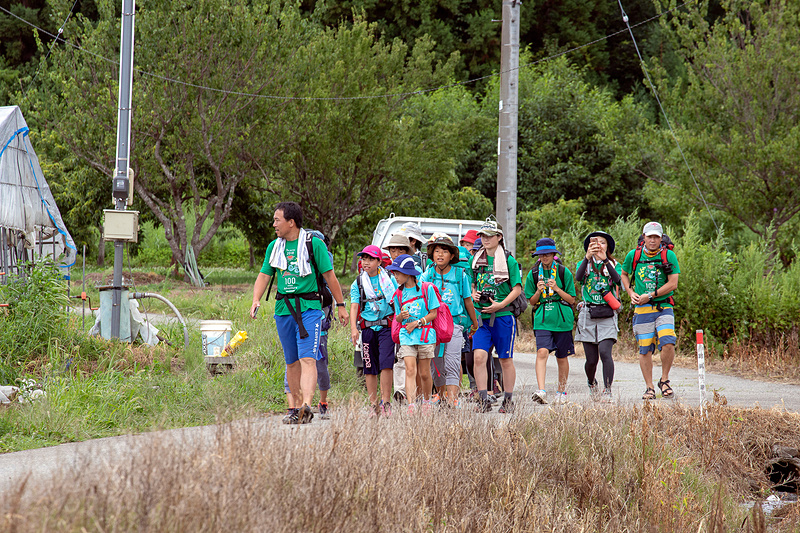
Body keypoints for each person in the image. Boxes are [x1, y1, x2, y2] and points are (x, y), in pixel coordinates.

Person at [250, 202, 348, 424]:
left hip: (309, 309)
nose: (274, 224)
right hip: (284, 309)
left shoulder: (314, 244)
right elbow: (264, 275)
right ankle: (293, 408)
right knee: (291, 361)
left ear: (291, 222)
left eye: (277, 220)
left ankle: (306, 405)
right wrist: (256, 299)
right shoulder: (275, 247)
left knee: (308, 359)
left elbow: (330, 277)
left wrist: (340, 305)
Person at [621, 221, 680, 400]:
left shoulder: (668, 255)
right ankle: (649, 387)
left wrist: (652, 295)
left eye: (656, 237)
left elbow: (673, 284)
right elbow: (623, 274)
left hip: (664, 306)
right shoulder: (634, 255)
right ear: (644, 237)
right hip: (642, 308)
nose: (653, 240)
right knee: (644, 349)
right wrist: (630, 292)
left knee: (668, 342)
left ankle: (664, 380)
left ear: (661, 238)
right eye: (650, 236)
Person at [469, 221, 522, 414]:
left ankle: (508, 399)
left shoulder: (509, 260)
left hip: (503, 316)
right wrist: (474, 293)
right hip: (482, 318)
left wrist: (500, 304)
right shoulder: (475, 259)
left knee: (505, 359)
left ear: (499, 237)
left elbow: (517, 288)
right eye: (483, 235)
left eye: (490, 236)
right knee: (479, 357)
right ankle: (483, 399)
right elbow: (472, 283)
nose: (485, 239)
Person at [421, 234, 480, 406]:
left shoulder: (460, 275)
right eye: (436, 251)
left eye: (444, 251)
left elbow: (468, 300)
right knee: (437, 364)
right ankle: (440, 396)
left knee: (453, 361)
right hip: (433, 326)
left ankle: (453, 399)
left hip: (455, 324)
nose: (439, 254)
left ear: (452, 256)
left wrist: (474, 323)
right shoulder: (427, 275)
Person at [525, 238, 576, 405]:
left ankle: (562, 391)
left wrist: (556, 289)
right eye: (541, 254)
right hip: (542, 318)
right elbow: (531, 302)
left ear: (554, 254)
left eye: (548, 253)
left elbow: (571, 299)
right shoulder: (533, 274)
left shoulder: (563, 272)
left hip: (562, 318)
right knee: (542, 352)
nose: (545, 257)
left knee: (562, 356)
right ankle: (542, 390)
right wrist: (539, 291)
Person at [350, 245, 397, 416]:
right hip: (367, 328)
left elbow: (397, 301)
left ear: (379, 261)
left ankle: (386, 403)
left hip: (387, 327)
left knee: (386, 364)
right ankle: (373, 404)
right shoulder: (358, 282)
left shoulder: (389, 279)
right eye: (363, 259)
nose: (366, 262)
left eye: (370, 259)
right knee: (369, 366)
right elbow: (354, 305)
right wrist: (353, 328)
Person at [574, 231, 622, 402]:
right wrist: (587, 257)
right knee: (591, 360)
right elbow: (578, 278)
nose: (599, 245)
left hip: (607, 313)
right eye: (595, 243)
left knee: (605, 352)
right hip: (588, 313)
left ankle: (607, 390)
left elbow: (618, 281)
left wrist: (605, 261)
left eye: (603, 242)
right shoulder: (584, 264)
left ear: (608, 246)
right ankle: (591, 382)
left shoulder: (614, 264)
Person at [388, 254, 439, 410]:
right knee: (410, 369)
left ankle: (426, 402)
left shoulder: (426, 288)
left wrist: (417, 323)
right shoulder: (398, 294)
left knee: (424, 373)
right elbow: (397, 319)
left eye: (397, 273)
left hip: (425, 336)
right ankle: (411, 405)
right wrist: (401, 317)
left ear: (408, 273)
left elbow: (433, 313)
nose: (395, 276)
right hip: (407, 336)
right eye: (394, 273)